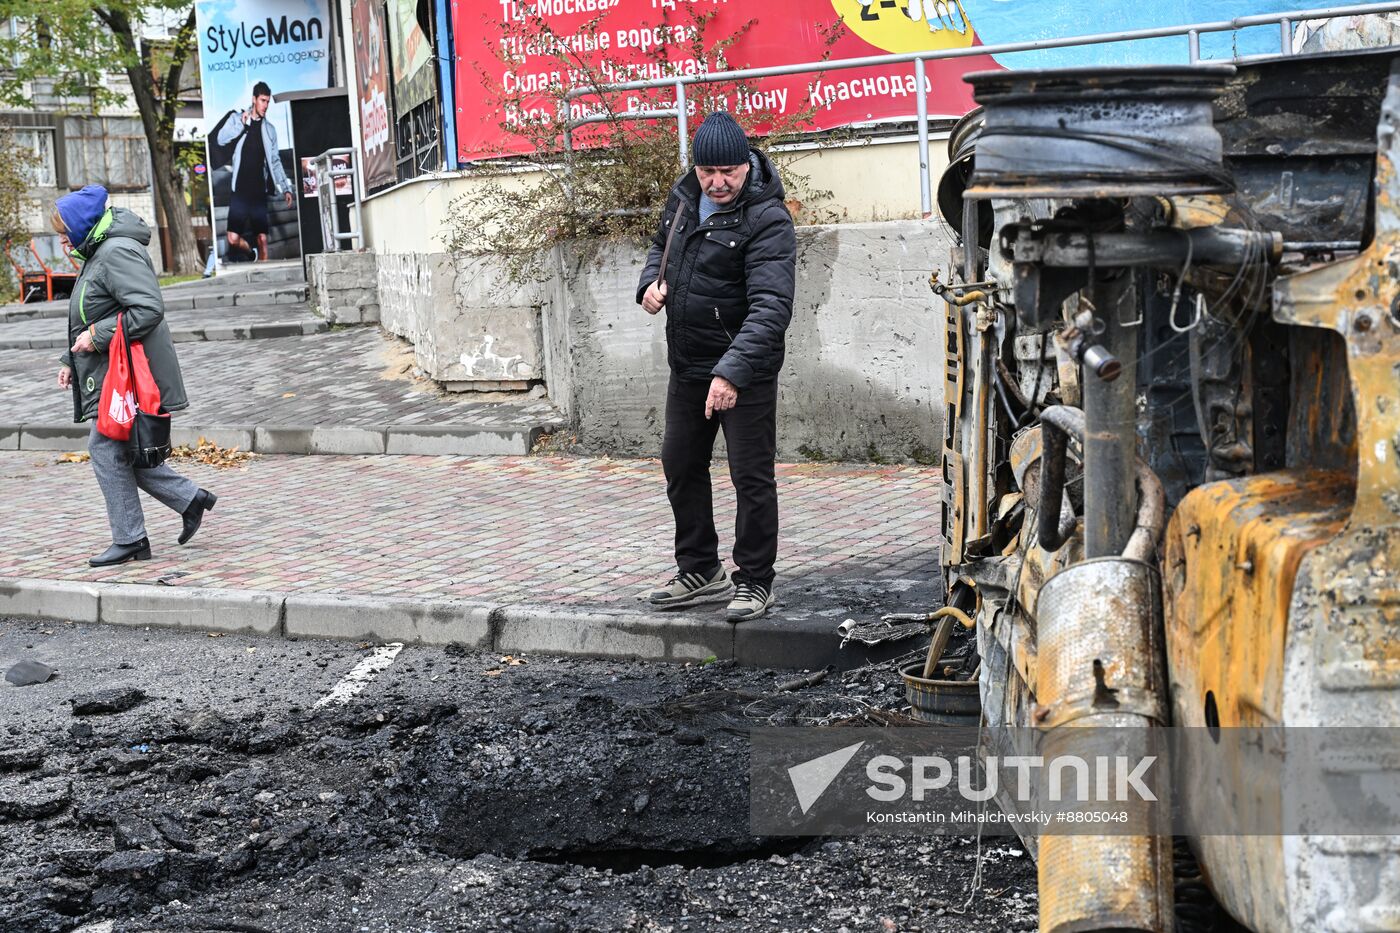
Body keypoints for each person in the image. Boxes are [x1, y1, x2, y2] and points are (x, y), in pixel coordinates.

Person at [637, 112, 797, 623]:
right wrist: (648, 284)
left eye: (728, 171)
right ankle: (701, 570)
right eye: (709, 172)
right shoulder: (685, 198)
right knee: (680, 464)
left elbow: (771, 306)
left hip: (743, 372)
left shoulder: (768, 220)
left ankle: (755, 581)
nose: (718, 182)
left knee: (751, 477)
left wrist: (731, 373)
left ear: (747, 165)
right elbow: (660, 247)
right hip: (688, 366)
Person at [54, 185, 218, 567]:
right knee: (126, 450)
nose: (61, 239)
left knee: (105, 449)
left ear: (82, 225)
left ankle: (131, 539)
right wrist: (69, 358)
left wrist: (95, 336)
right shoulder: (98, 254)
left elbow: (147, 309)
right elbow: (89, 312)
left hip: (128, 375)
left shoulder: (116, 252)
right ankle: (190, 499)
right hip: (112, 372)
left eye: (64, 231)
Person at [215, 81, 294, 262]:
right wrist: (240, 126)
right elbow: (221, 139)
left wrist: (286, 187)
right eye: (263, 101)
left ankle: (266, 279)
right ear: (254, 99)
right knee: (232, 239)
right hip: (240, 191)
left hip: (259, 191)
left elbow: (275, 161)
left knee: (262, 239)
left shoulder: (270, 130)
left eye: (267, 102)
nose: (265, 106)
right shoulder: (237, 119)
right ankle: (251, 254)